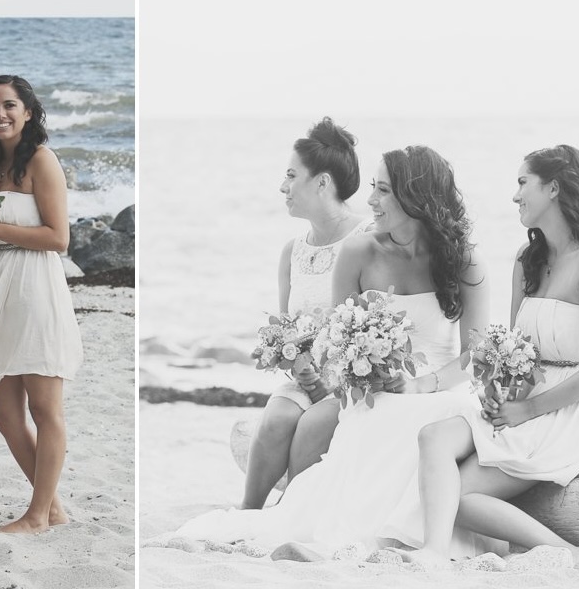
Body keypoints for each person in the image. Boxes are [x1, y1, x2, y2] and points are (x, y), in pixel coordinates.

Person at [175, 145, 490, 557]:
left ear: (416, 197)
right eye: (373, 187)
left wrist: (421, 385)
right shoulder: (358, 252)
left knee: (430, 417)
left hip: (444, 387)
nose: (370, 200)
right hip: (378, 391)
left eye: (383, 190)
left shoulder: (463, 260)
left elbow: (475, 355)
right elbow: (338, 344)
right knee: (373, 416)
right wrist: (370, 371)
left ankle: (406, 537)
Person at [398, 145, 579, 567]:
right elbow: (516, 354)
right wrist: (499, 391)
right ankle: (434, 550)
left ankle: (570, 553)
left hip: (573, 410)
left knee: (462, 497)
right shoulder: (528, 261)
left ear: (554, 188)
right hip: (526, 401)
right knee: (433, 436)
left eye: (523, 183)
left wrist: (528, 409)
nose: (515, 195)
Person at [0, 74, 83, 533]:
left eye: (10, 105)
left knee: (44, 408)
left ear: (28, 112)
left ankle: (36, 515)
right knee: (5, 412)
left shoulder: (41, 160)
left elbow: (59, 238)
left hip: (34, 285)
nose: (0, 115)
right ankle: (52, 508)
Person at [239, 117, 369, 509]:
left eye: (291, 175)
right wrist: (297, 365)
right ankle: (248, 512)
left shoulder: (365, 241)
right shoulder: (292, 251)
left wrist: (331, 379)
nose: (283, 187)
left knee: (312, 425)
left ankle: (291, 511)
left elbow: (372, 327)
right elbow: (285, 329)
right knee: (276, 418)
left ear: (322, 182)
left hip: (353, 383)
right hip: (306, 377)